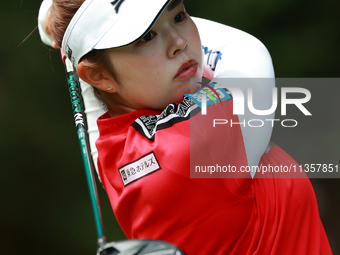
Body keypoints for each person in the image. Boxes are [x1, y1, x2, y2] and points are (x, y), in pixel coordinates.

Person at [40, 0, 332, 254]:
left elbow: (95, 108)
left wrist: (77, 40)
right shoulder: (192, 147)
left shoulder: (116, 148)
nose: (179, 42)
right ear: (99, 75)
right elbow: (248, 54)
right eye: (146, 36)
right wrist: (70, 31)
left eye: (178, 15)